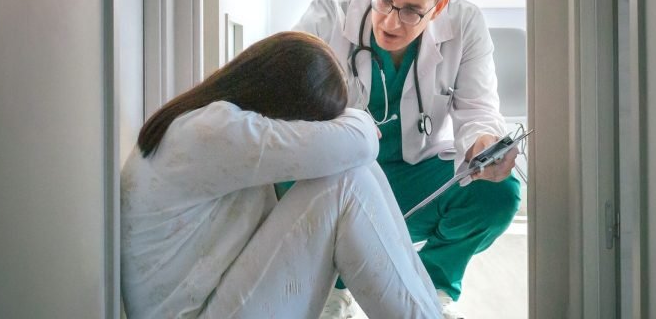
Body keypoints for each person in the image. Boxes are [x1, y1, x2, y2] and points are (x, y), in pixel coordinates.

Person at [120, 30, 442, 319]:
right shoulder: (217, 132)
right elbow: (359, 143)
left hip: (208, 304)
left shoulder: (207, 121)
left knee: (357, 169)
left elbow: (356, 150)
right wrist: (352, 120)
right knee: (345, 182)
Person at [294, 0, 521, 319]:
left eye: (413, 10)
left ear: (440, 6)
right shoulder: (324, 18)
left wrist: (484, 142)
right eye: (383, 0)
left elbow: (478, 108)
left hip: (414, 182)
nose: (391, 23)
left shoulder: (465, 25)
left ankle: (429, 289)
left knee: (500, 194)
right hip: (339, 182)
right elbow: (288, 115)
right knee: (279, 176)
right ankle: (333, 287)